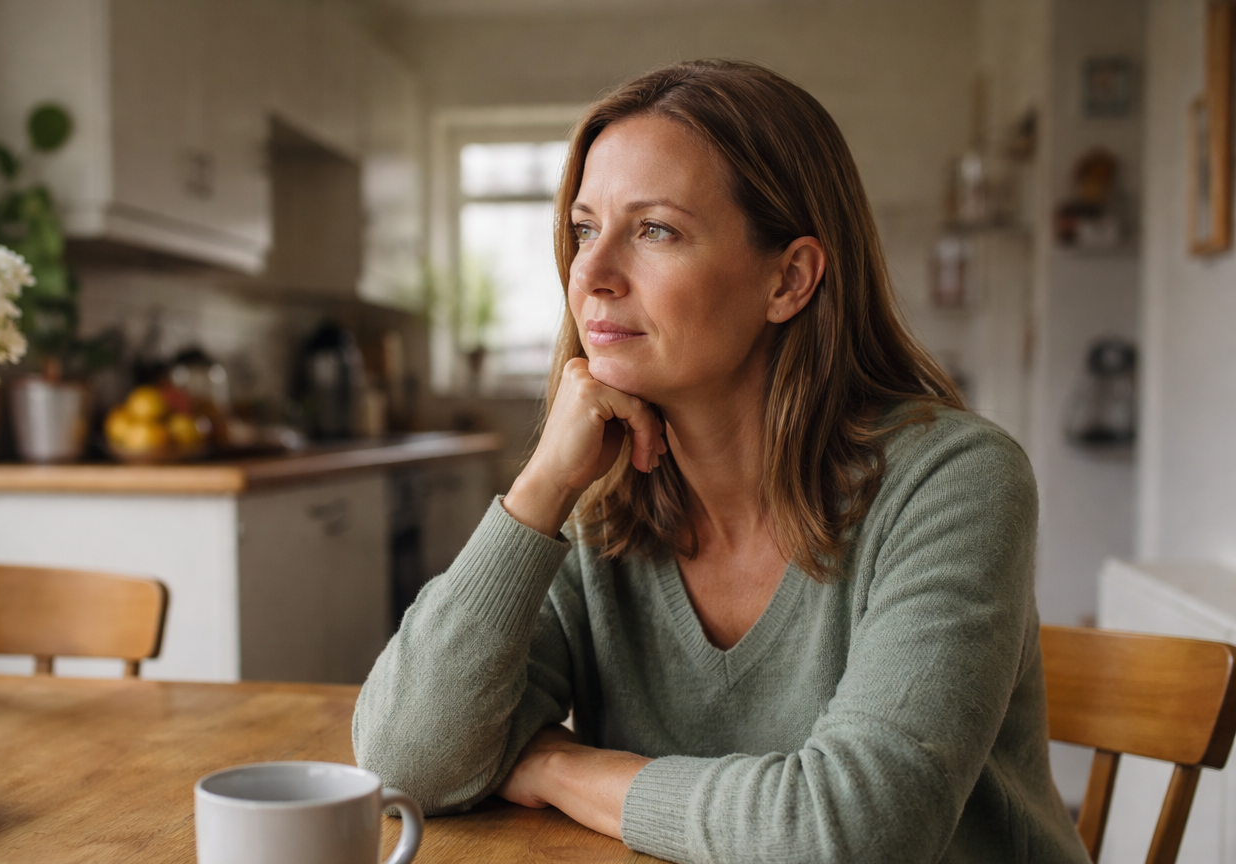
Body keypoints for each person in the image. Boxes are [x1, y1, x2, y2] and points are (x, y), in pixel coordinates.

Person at [353, 60, 1089, 864]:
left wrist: (557, 764)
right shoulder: (596, 501)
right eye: (585, 230)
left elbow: (848, 835)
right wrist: (539, 488)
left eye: (655, 230)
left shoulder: (955, 481)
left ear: (790, 279)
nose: (592, 278)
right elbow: (404, 766)